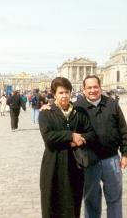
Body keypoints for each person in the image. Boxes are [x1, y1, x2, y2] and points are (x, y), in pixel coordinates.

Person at [39, 77, 96, 218]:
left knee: (72, 205)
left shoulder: (79, 113)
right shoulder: (46, 113)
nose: (64, 96)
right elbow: (48, 138)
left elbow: (91, 134)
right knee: (52, 205)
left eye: (67, 92)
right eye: (61, 92)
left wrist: (80, 139)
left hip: (74, 165)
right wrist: (71, 136)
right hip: (53, 165)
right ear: (54, 94)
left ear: (71, 93)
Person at [76, 75, 127, 218]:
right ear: (84, 90)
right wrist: (48, 106)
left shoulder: (112, 104)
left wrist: (125, 154)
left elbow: (123, 130)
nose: (93, 90)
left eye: (95, 87)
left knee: (114, 199)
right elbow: (60, 113)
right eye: (89, 87)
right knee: (91, 200)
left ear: (100, 88)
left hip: (111, 159)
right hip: (89, 161)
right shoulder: (77, 107)